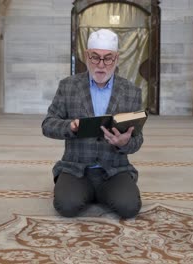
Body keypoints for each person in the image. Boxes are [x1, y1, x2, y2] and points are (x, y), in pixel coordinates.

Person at [41, 29, 144, 219]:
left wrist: (124, 143)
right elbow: (47, 124)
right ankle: (82, 192)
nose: (101, 65)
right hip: (76, 168)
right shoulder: (68, 86)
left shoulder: (131, 92)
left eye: (108, 58)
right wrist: (70, 127)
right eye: (95, 58)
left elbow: (137, 141)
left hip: (114, 170)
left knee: (129, 208)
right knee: (67, 207)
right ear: (87, 56)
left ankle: (102, 193)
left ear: (117, 59)